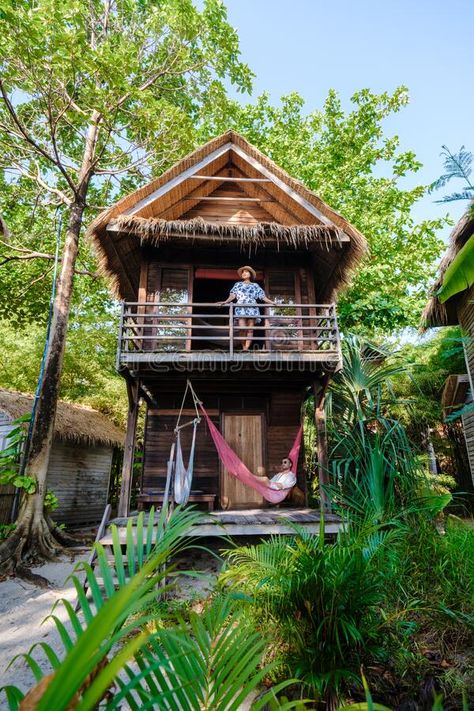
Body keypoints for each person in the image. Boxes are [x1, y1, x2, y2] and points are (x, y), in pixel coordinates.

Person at [216, 266, 275, 351]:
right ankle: (243, 346)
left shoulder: (255, 285)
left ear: (250, 274)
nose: (244, 273)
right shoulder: (238, 285)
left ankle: (246, 348)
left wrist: (272, 302)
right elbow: (233, 295)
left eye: (246, 272)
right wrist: (225, 302)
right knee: (242, 328)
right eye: (243, 272)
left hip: (252, 308)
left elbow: (262, 297)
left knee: (250, 329)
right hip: (241, 308)